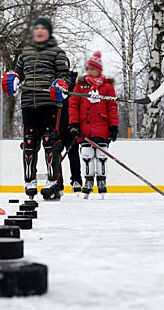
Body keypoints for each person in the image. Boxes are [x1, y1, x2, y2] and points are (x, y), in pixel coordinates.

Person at [1, 17, 72, 200]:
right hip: (28, 103)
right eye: (36, 28)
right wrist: (14, 78)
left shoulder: (57, 52)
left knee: (50, 139)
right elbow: (19, 72)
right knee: (30, 141)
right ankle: (30, 181)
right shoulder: (25, 53)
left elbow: (65, 75)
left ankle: (52, 181)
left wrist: (62, 83)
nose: (39, 31)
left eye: (43, 28)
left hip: (49, 102)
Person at [67, 51, 119, 199]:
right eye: (88, 69)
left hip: (102, 129)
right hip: (84, 129)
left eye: (93, 69)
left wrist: (113, 126)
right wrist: (73, 124)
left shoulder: (107, 87)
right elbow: (73, 106)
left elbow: (112, 107)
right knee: (87, 155)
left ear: (99, 70)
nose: (90, 71)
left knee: (101, 155)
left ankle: (102, 181)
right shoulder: (80, 86)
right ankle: (88, 181)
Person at [58, 70, 83, 194]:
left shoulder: (75, 82)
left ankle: (76, 180)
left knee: (73, 153)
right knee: (55, 154)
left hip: (70, 125)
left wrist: (77, 124)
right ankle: (58, 182)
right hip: (56, 124)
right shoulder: (53, 80)